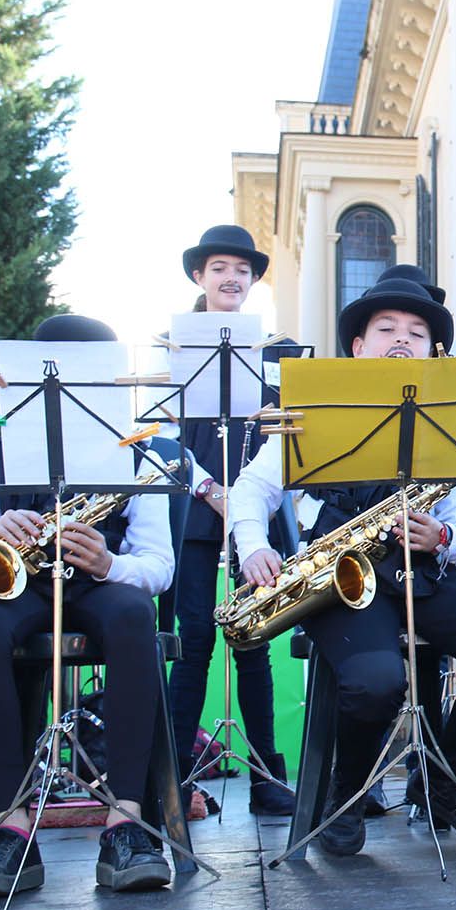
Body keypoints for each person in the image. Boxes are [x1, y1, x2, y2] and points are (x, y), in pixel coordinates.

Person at [230, 268, 456, 855]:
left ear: (433, 352)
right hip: (342, 576)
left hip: (424, 572)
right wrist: (254, 544)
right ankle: (345, 793)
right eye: (387, 328)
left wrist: (443, 535)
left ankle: (447, 782)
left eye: (417, 333)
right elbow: (252, 488)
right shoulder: (316, 406)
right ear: (358, 346)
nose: (402, 338)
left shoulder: (453, 418)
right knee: (377, 681)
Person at [0, 315, 177, 898]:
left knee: (133, 614)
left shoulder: (139, 451)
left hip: (99, 585)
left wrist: (107, 563)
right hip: (19, 586)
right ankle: (10, 825)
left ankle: (126, 820)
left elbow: (158, 566)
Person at [165, 225, 295, 816]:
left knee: (253, 639)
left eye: (242, 270)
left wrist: (246, 498)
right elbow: (158, 436)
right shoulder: (173, 348)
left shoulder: (276, 353)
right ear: (200, 275)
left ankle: (267, 777)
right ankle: (172, 778)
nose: (232, 278)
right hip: (195, 515)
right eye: (220, 267)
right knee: (192, 641)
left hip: (255, 515)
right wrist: (210, 489)